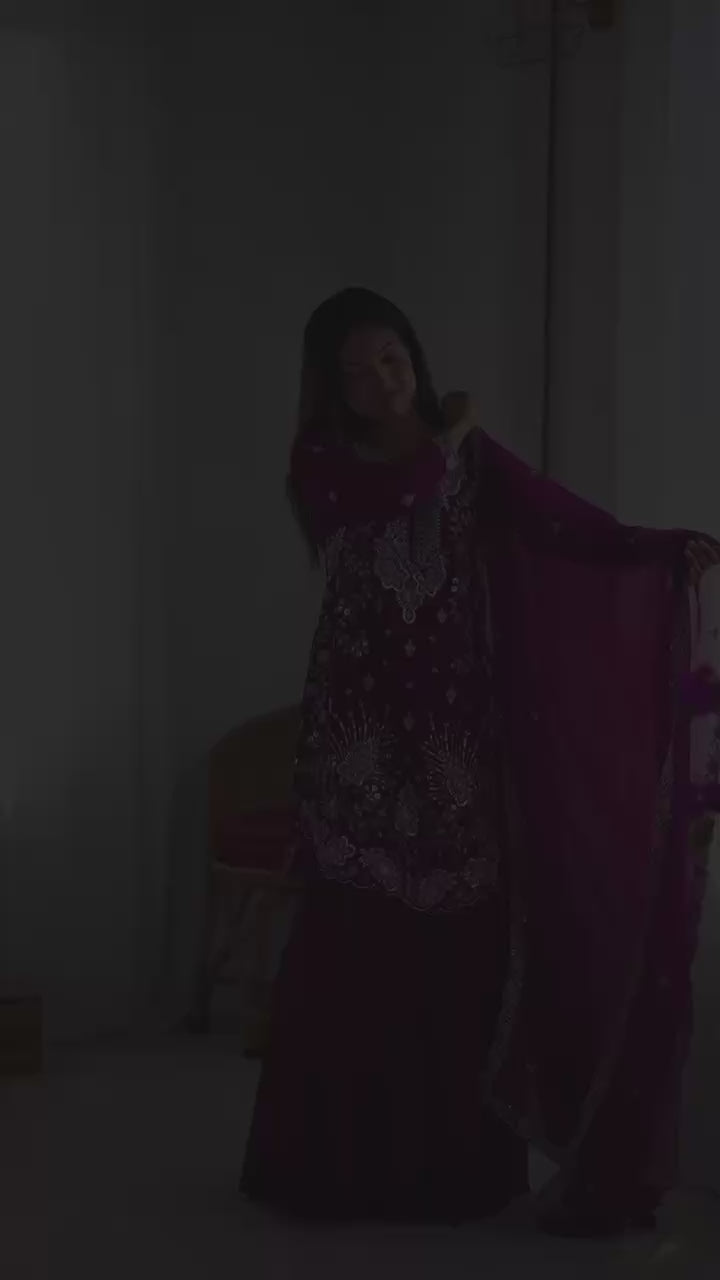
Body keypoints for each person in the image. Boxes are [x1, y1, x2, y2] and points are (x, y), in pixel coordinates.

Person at [240, 287, 720, 1236]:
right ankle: (337, 1168)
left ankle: (454, 1170)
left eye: (391, 359)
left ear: (413, 355)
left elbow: (559, 523)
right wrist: (453, 435)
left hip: (457, 746)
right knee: (357, 950)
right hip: (358, 748)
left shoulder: (470, 456)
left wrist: (662, 551)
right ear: (330, 387)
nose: (381, 383)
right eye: (355, 373)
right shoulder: (325, 463)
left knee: (456, 952)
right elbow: (399, 494)